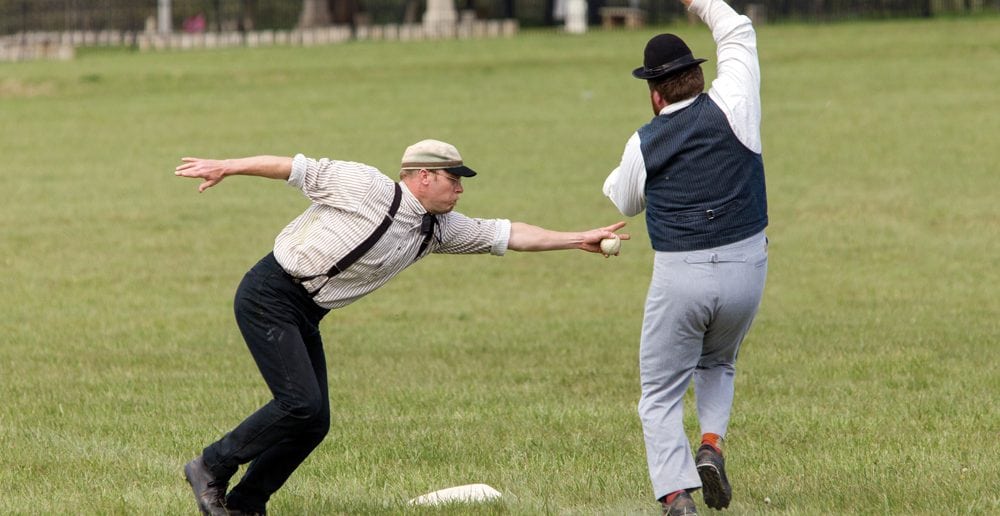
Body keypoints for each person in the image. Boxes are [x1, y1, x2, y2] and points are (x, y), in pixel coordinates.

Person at [175, 139, 628, 516]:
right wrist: (226, 167)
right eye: (454, 179)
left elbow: (508, 234)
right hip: (269, 293)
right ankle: (211, 466)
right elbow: (290, 167)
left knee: (314, 422)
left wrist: (576, 238)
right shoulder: (366, 185)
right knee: (300, 404)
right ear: (424, 176)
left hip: (306, 311)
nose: (460, 190)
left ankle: (245, 504)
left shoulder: (438, 229)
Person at [601, 0, 768, 513]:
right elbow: (736, 29)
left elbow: (623, 200)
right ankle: (711, 445)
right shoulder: (735, 102)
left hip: (681, 274)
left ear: (655, 96)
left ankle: (676, 494)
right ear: (698, 76)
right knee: (719, 361)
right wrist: (700, 2)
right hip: (747, 267)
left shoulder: (644, 141)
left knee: (659, 393)